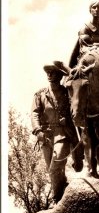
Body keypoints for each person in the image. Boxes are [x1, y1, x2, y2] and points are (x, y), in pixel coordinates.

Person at [31, 61, 84, 204]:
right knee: (52, 170)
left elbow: (76, 108)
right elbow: (34, 114)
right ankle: (61, 196)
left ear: (60, 75)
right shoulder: (40, 94)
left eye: (53, 72)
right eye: (47, 72)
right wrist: (37, 131)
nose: (49, 75)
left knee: (56, 165)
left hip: (63, 133)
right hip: (46, 135)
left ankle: (56, 199)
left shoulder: (67, 93)